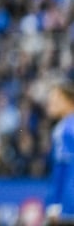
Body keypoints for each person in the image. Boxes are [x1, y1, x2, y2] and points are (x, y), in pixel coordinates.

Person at [45, 80, 74, 225]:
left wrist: (55, 205)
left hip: (69, 205)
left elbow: (64, 169)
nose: (49, 103)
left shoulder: (65, 128)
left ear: (69, 101)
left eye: (55, 99)